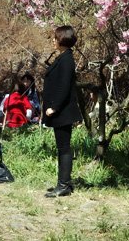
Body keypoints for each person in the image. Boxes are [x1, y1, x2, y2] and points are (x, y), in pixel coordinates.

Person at [42, 25, 82, 197]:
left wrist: (54, 107)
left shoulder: (67, 60)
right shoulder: (63, 57)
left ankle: (64, 185)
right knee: (62, 147)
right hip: (59, 111)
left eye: (55, 38)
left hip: (62, 111)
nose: (53, 40)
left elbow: (64, 87)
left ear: (62, 40)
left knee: (64, 148)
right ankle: (63, 183)